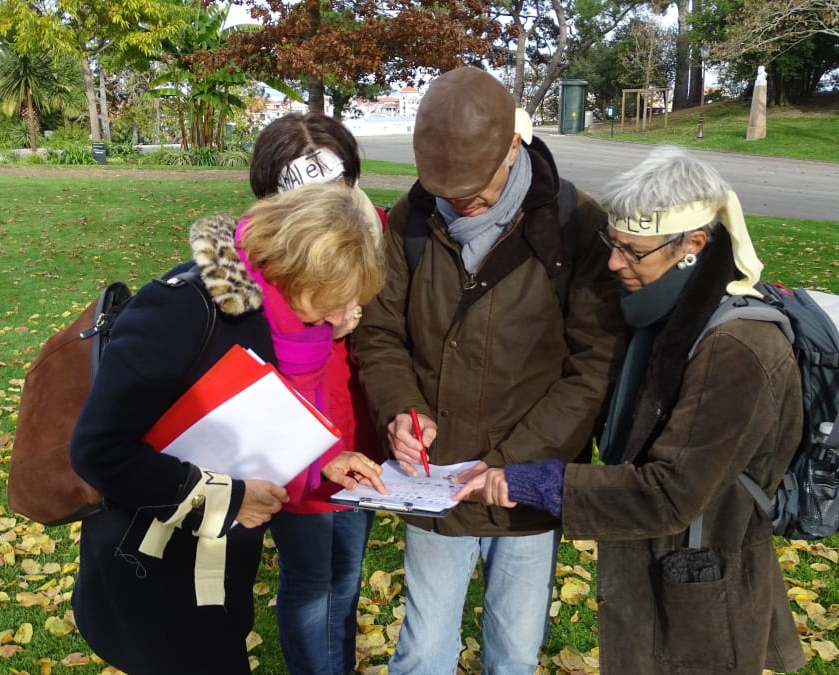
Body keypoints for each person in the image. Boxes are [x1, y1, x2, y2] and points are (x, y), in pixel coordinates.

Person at [455, 146, 807, 674]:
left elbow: (670, 492)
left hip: (706, 591)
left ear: (693, 243)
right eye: (612, 245)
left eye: (633, 252)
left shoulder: (736, 349)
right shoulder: (664, 314)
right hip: (661, 576)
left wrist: (540, 483)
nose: (615, 263)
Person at [350, 66, 625, 674]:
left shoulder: (574, 223)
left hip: (523, 485)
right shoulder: (411, 222)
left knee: (513, 655)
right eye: (445, 187)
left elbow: (593, 368)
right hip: (436, 483)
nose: (459, 200)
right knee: (422, 653)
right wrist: (401, 411)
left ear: (512, 148)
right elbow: (380, 332)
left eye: (473, 186)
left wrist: (514, 463)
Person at [69, 183, 386, 675]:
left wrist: (324, 461)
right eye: (337, 300)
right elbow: (98, 451)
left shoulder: (278, 320)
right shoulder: (181, 309)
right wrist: (231, 498)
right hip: (152, 573)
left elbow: (247, 425)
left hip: (215, 576)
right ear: (297, 269)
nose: (344, 317)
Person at [248, 112, 387, 675]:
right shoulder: (255, 256)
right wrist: (321, 327)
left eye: (338, 192)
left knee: (347, 572)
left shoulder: (374, 231)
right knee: (310, 578)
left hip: (357, 433)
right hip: (296, 439)